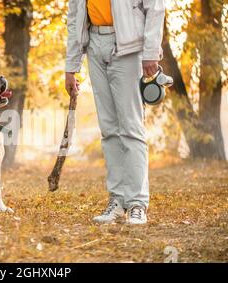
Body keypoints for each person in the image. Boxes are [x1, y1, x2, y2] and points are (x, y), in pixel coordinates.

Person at [65, 0, 165, 224]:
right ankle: (118, 200)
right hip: (94, 44)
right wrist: (71, 66)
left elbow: (155, 8)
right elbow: (74, 17)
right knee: (109, 130)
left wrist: (150, 52)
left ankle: (137, 203)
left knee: (131, 128)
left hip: (127, 45)